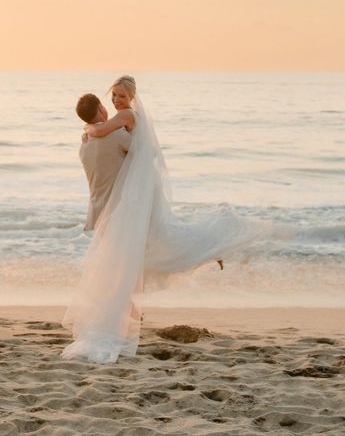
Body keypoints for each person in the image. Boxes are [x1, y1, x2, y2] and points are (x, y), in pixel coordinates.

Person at [61, 76, 277, 364]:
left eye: (120, 96)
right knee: (138, 260)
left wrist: (91, 128)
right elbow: (141, 156)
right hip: (124, 212)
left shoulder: (85, 143)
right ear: (101, 106)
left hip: (105, 215)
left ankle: (139, 308)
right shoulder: (115, 136)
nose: (115, 103)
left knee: (124, 265)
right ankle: (139, 308)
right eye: (112, 98)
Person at [75, 93, 132, 233]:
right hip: (117, 214)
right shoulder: (117, 135)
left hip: (94, 216)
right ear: (101, 107)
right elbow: (147, 152)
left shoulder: (83, 146)